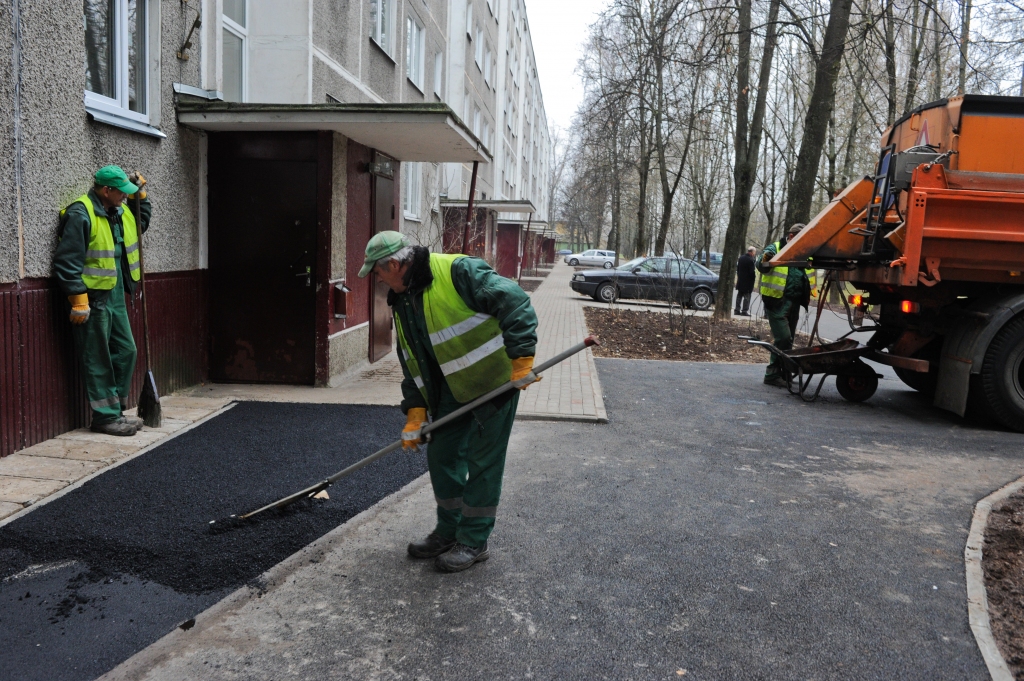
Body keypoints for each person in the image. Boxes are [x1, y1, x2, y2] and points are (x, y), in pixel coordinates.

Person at [357, 231, 539, 573]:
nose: (376, 280)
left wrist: (522, 359)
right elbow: (412, 360)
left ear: (395, 265)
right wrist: (415, 412)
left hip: (493, 385)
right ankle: (449, 531)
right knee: (442, 456)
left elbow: (515, 300)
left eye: (378, 273)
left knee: (483, 462)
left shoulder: (459, 272)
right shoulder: (402, 300)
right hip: (450, 393)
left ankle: (473, 540)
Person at [54, 166, 151, 436]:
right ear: (106, 190)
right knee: (97, 359)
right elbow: (67, 261)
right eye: (122, 192)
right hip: (93, 299)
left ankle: (116, 411)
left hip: (116, 295)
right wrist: (78, 299)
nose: (124, 196)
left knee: (126, 351)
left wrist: (141, 197)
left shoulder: (118, 212)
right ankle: (105, 417)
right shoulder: (81, 213)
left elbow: (139, 224)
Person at [757, 224, 817, 387]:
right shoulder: (775, 248)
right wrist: (766, 258)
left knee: (788, 342)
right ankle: (771, 374)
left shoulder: (804, 252)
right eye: (800, 239)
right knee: (783, 338)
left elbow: (809, 272)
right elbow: (760, 265)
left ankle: (783, 373)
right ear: (791, 237)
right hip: (777, 302)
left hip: (795, 303)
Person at [734, 246, 756, 316]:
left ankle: (737, 310)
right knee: (747, 297)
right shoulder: (751, 260)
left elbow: (738, 269)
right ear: (752, 252)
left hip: (740, 280)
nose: (754, 254)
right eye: (754, 252)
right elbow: (752, 272)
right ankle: (744, 311)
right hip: (748, 282)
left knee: (739, 296)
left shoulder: (741, 258)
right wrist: (753, 279)